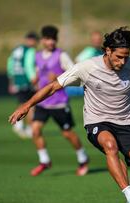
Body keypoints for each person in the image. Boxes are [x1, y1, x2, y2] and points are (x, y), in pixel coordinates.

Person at [9, 26, 130, 203]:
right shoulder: (86, 67)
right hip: (98, 121)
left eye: (126, 57)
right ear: (108, 51)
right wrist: (26, 105)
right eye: (119, 57)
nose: (122, 62)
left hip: (127, 122)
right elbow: (52, 87)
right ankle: (129, 195)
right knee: (110, 146)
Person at [30, 25, 89, 177]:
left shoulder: (62, 55)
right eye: (48, 39)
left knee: (67, 134)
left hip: (59, 102)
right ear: (43, 40)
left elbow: (74, 73)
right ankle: (44, 161)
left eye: (53, 39)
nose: (51, 42)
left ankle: (83, 159)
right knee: (35, 130)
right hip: (43, 102)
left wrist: (57, 77)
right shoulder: (37, 56)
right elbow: (39, 72)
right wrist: (36, 79)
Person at [7, 31, 38, 138]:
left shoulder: (17, 49)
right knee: (31, 105)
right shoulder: (30, 50)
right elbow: (29, 66)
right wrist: (34, 79)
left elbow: (10, 64)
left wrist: (12, 80)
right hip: (27, 81)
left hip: (18, 80)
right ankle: (29, 129)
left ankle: (18, 124)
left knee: (22, 103)